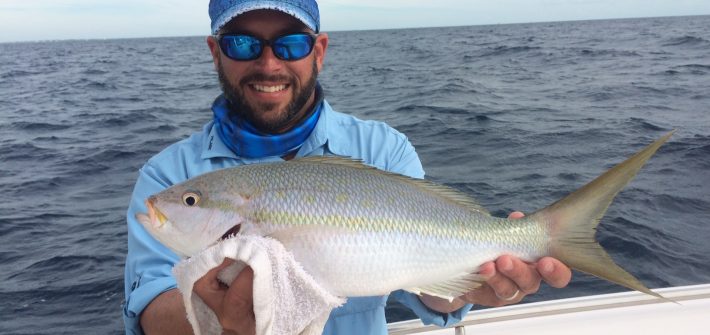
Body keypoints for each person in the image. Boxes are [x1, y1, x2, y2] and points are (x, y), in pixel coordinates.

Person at [123, 1, 572, 334]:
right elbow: (149, 307)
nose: (268, 63)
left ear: (318, 51)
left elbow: (424, 284)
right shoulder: (168, 173)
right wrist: (210, 321)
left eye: (291, 43)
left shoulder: (383, 148)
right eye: (242, 43)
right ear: (215, 51)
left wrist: (471, 284)